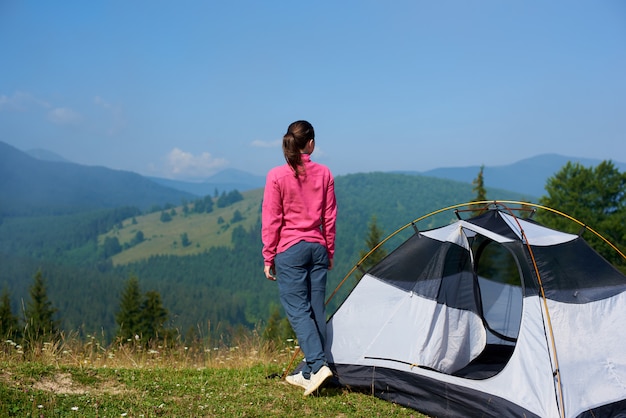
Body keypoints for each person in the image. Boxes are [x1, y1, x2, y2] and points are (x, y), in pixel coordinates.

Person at [262, 120, 337, 396]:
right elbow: (329, 218)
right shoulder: (325, 173)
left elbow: (272, 219)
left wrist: (268, 255)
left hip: (290, 249)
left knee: (297, 309)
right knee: (316, 308)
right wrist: (329, 251)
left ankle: (317, 366)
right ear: (311, 144)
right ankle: (309, 370)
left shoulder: (277, 176)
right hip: (317, 247)